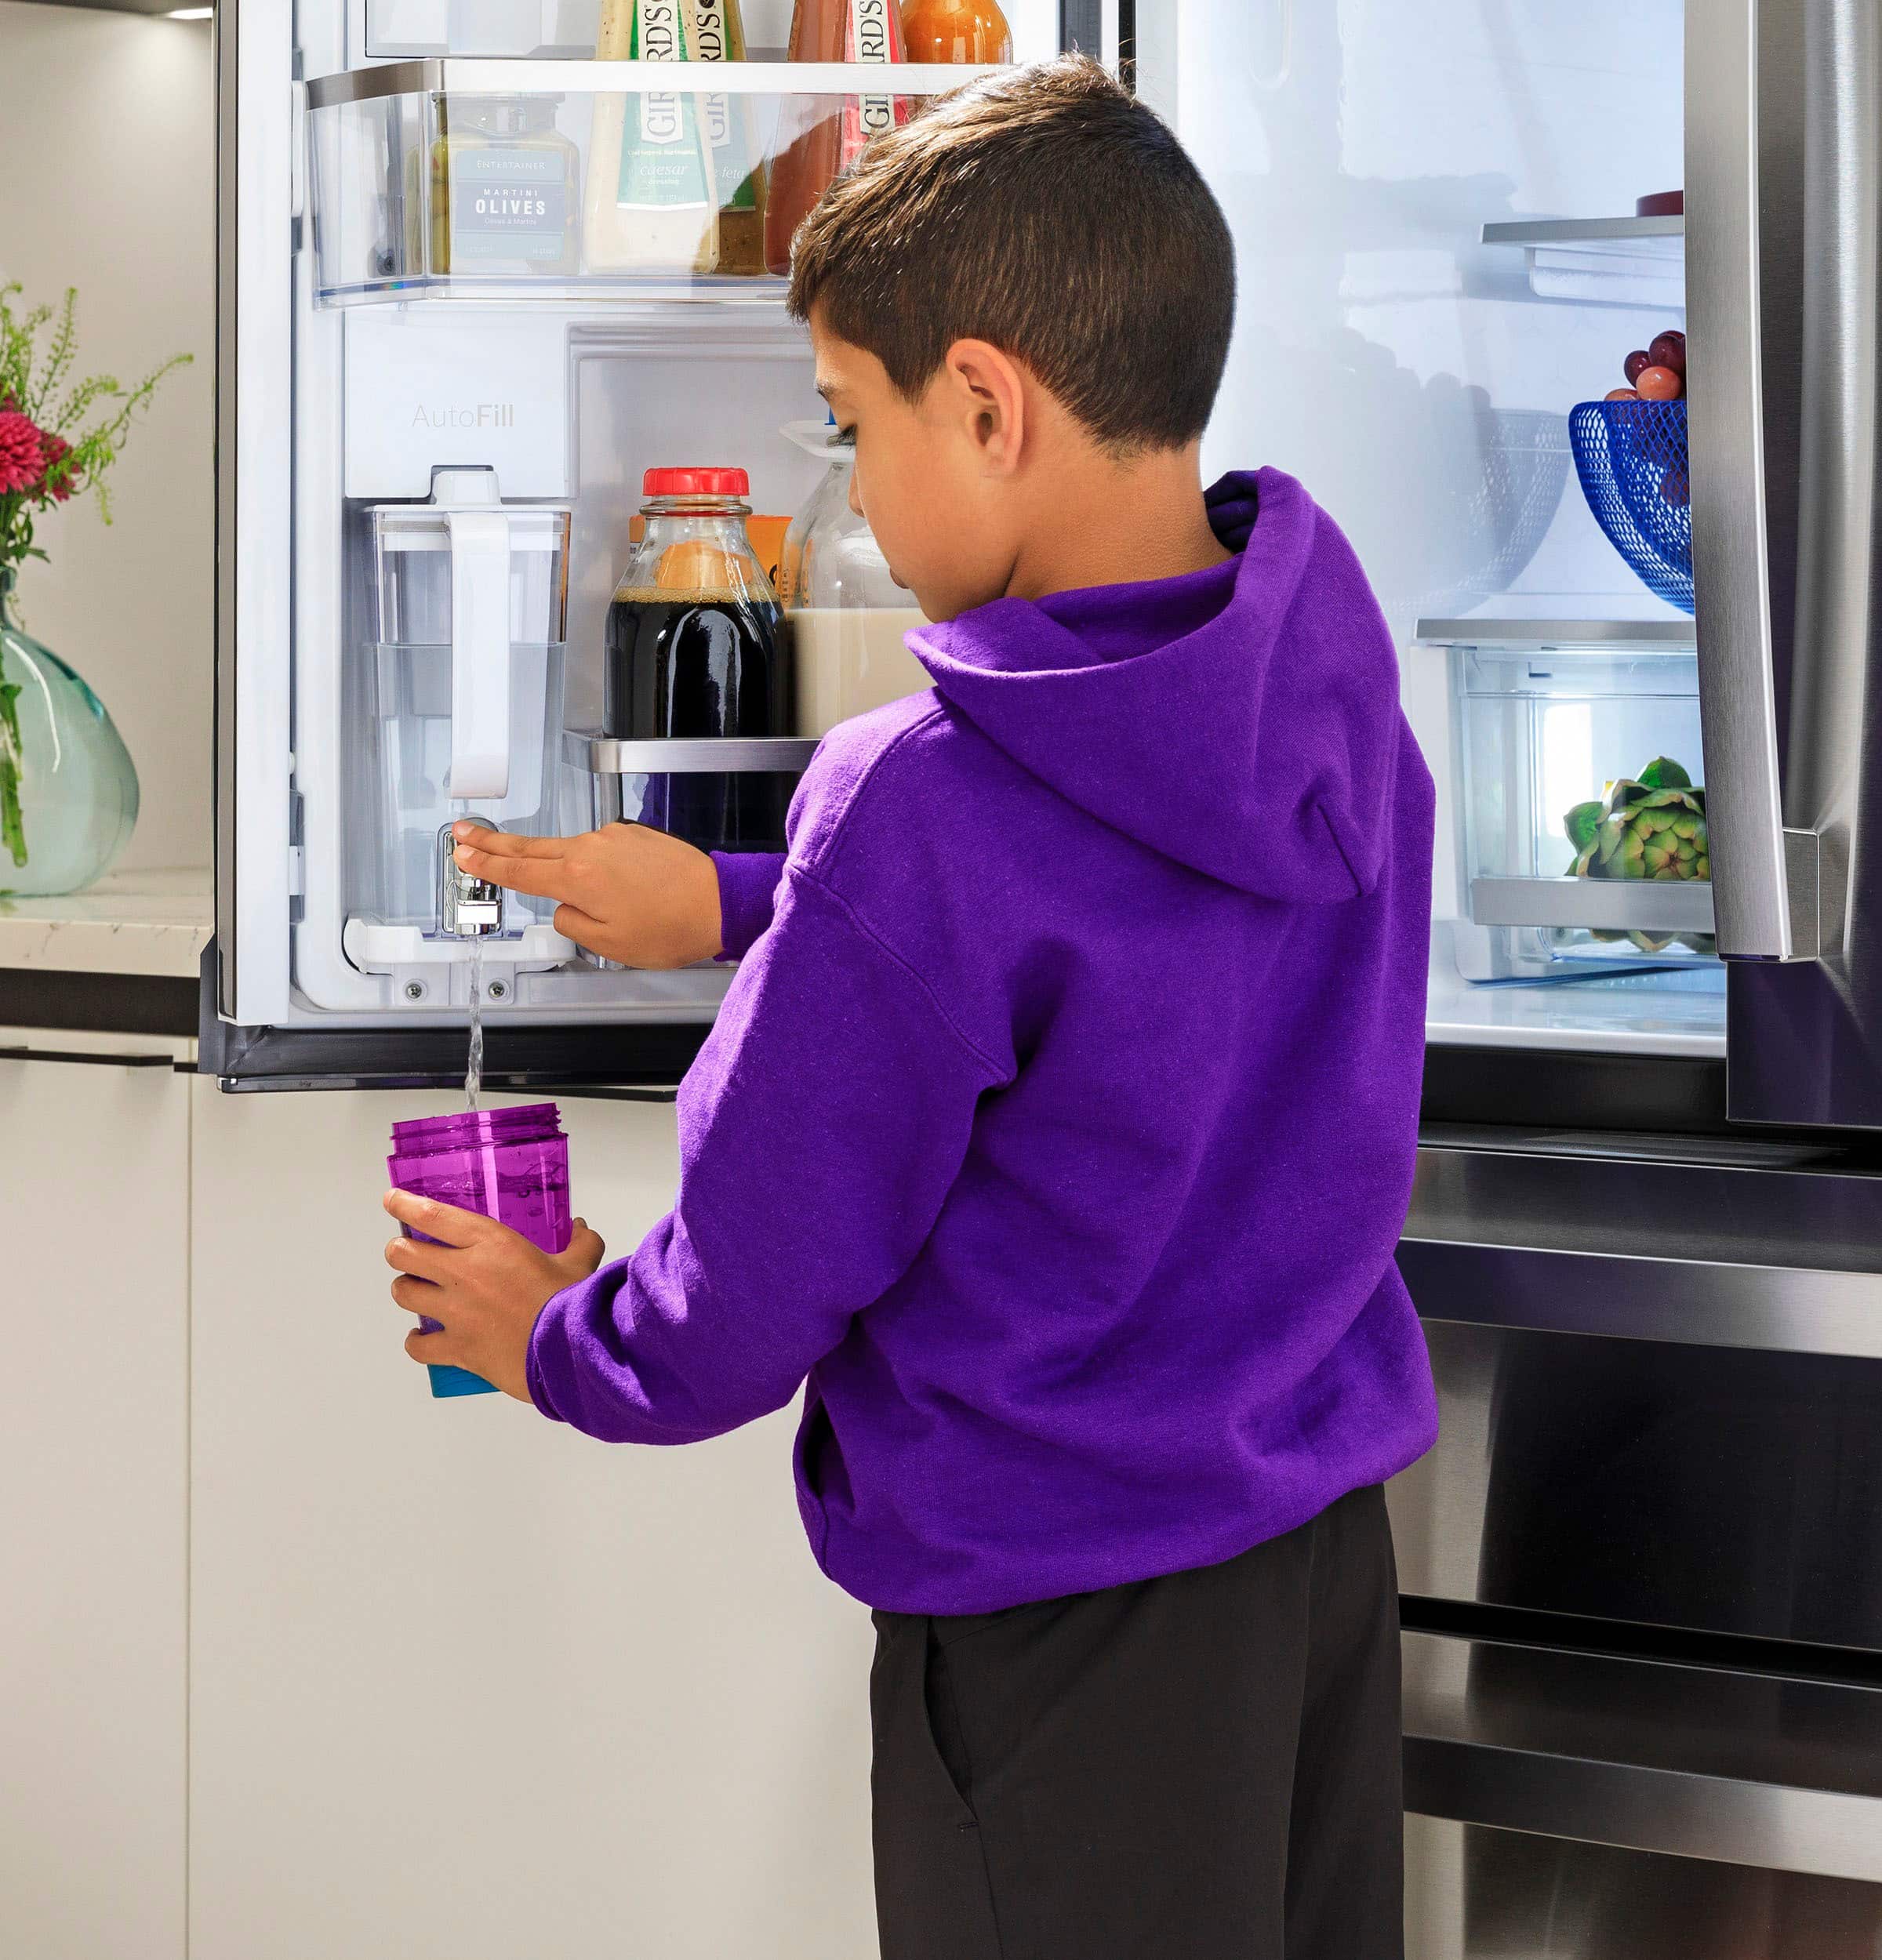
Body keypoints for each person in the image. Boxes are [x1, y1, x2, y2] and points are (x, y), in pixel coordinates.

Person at [383, 54, 1437, 1960]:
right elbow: (1120, 950)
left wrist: (562, 1336)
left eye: (852, 422)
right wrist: (735, 898)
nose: (852, 487)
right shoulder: (1326, 688)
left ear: (985, 405)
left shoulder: (920, 803)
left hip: (1057, 1633)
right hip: (1309, 1574)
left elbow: (757, 1279)